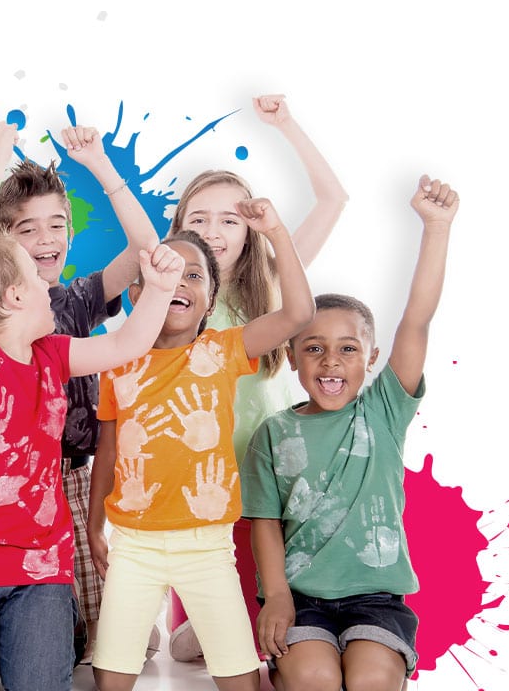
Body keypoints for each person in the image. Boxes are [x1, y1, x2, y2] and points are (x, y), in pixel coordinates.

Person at [0, 224, 183, 691]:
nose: (47, 283)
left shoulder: (51, 355)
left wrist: (157, 290)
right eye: (37, 277)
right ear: (15, 297)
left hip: (43, 567)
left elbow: (123, 345)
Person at [240, 176, 459, 691]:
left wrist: (437, 228)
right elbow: (265, 524)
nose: (331, 360)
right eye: (313, 347)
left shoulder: (384, 409)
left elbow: (418, 320)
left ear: (373, 358)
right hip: (302, 598)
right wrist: (276, 597)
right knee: (314, 679)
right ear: (291, 357)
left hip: (375, 600)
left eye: (348, 348)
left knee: (368, 681)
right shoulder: (273, 433)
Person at [88, 200, 315, 691]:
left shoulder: (222, 350)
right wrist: (93, 527)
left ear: (210, 302)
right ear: (136, 291)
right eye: (167, 272)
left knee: (240, 682)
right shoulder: (115, 361)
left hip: (207, 547)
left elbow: (298, 313)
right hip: (135, 547)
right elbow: (106, 451)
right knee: (110, 682)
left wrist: (275, 230)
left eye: (195, 276)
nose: (179, 283)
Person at [0, 122, 161, 663]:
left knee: (127, 646)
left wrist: (100, 165)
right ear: (5, 242)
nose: (47, 239)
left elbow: (149, 251)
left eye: (57, 224)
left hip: (71, 474)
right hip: (5, 486)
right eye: (28, 229)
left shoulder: (76, 298)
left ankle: (85, 618)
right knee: (24, 641)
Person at [166, 93, 349, 660]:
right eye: (199, 218)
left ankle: (267, 613)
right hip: (201, 474)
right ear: (178, 228)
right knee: (187, 642)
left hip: (271, 465)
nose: (214, 230)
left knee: (275, 584)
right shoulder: (172, 296)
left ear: (251, 229)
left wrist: (287, 124)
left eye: (230, 219)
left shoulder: (271, 282)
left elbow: (332, 198)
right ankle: (219, 618)